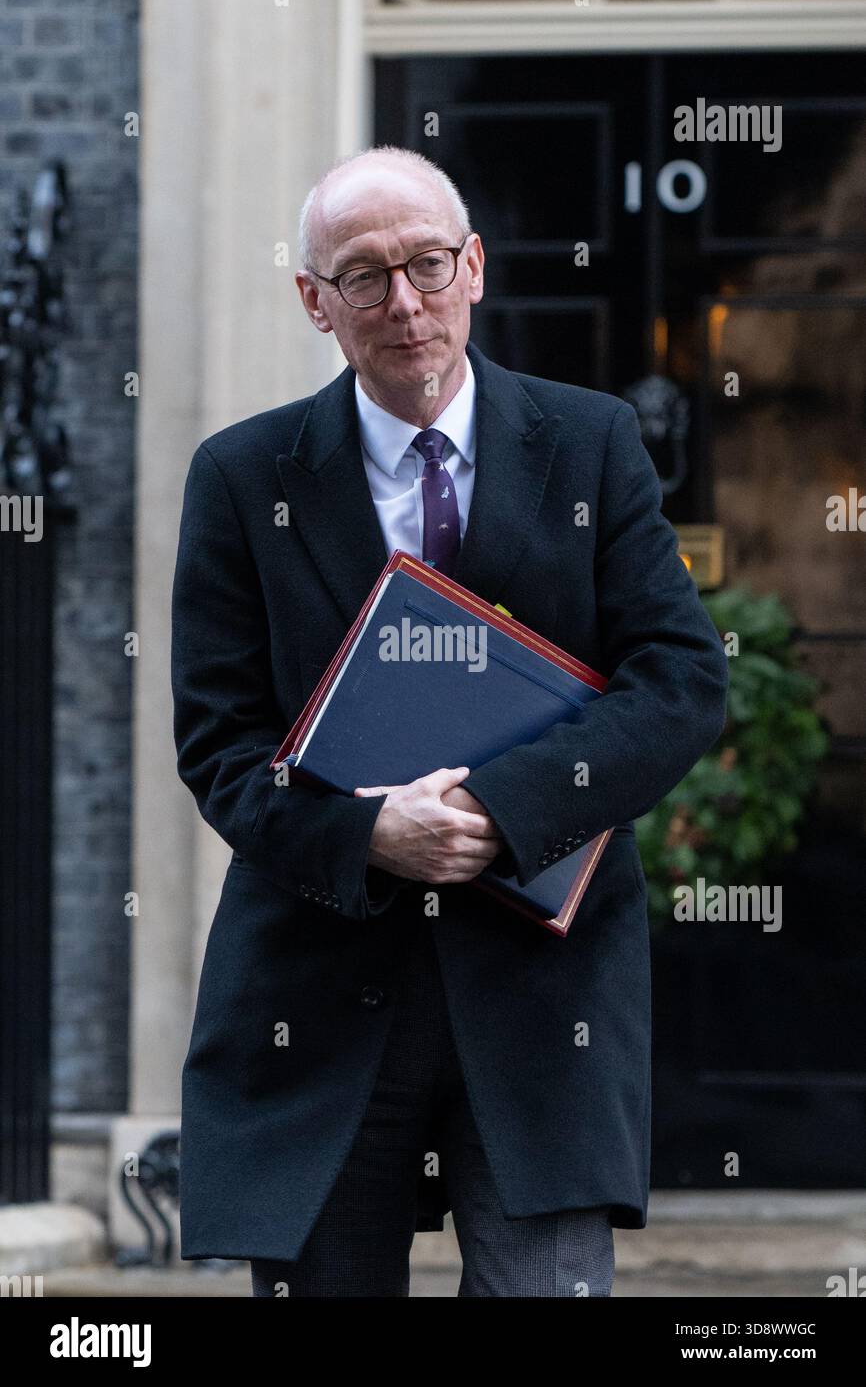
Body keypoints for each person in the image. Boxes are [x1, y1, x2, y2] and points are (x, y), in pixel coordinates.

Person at [170, 145, 729, 1297]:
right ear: (313, 301)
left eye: (426, 262)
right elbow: (218, 745)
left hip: (541, 997)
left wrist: (497, 810)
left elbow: (676, 680)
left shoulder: (589, 442)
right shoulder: (239, 477)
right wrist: (368, 835)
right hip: (318, 998)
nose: (405, 303)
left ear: (473, 265)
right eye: (363, 277)